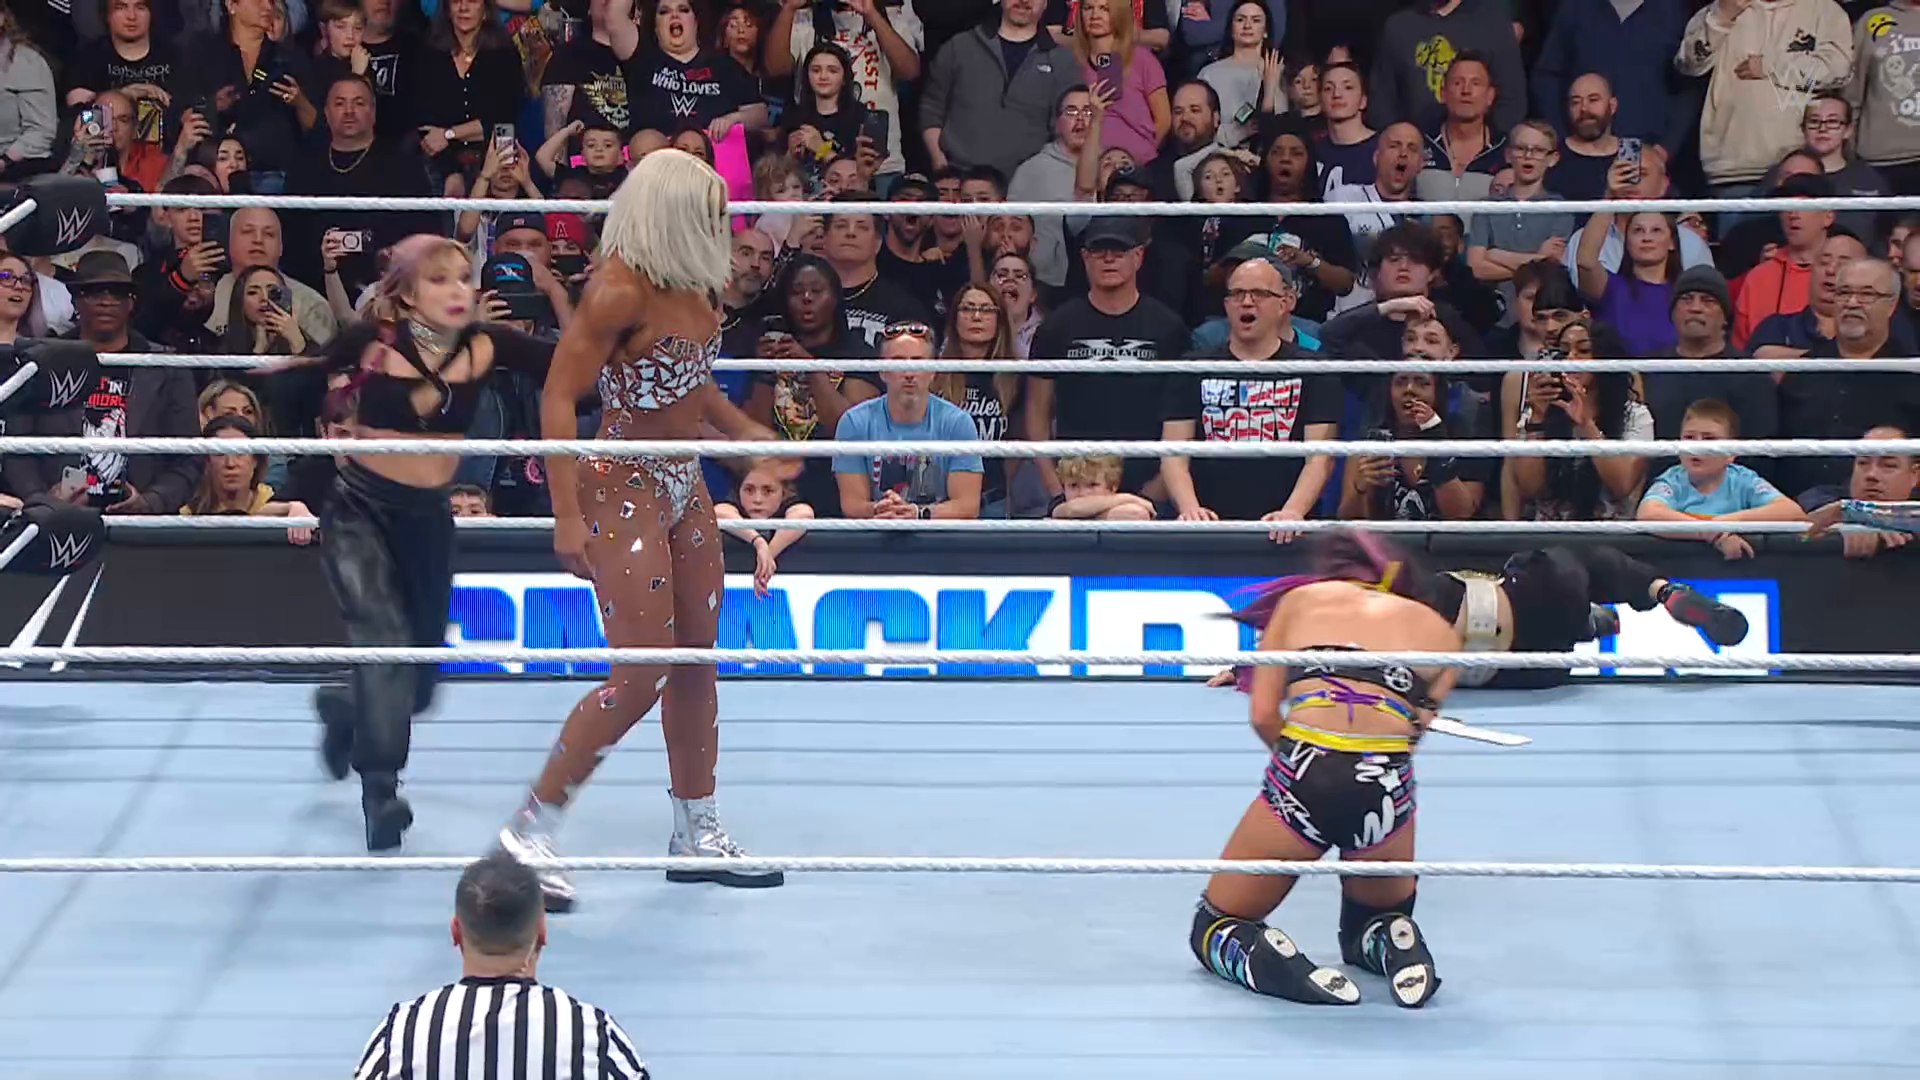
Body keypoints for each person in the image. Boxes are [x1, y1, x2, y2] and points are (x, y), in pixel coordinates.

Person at [497, 150, 784, 912]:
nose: (725, 225)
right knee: (640, 672)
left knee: (694, 663)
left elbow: (691, 383)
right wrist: (565, 514)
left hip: (684, 481)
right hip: (620, 481)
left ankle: (697, 833)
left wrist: (745, 433)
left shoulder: (698, 283)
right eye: (712, 212)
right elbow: (559, 397)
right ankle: (527, 832)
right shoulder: (619, 288)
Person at [260, 234, 557, 853]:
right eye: (440, 279)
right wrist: (280, 372)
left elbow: (571, 374)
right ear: (408, 294)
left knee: (417, 683)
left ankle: (345, 705)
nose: (458, 290)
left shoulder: (487, 344)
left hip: (428, 519)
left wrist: (615, 333)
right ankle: (381, 790)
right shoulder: (372, 341)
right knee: (383, 643)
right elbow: (306, 386)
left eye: (464, 278)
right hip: (359, 512)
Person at [1192, 529, 1454, 1010]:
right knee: (1369, 920)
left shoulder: (1299, 602)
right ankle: (1391, 937)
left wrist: (1302, 770)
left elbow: (1264, 716)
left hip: (1306, 771)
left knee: (1215, 924)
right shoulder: (1440, 632)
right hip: (1384, 789)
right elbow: (1410, 736)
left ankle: (1272, 961)